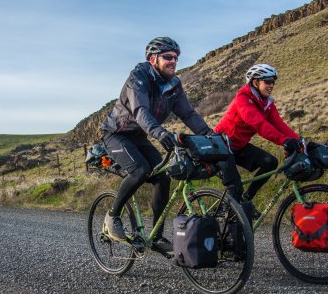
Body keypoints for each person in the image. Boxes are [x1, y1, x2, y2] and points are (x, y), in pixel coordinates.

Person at [100, 37, 212, 251]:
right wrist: (160, 133)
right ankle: (112, 216)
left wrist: (209, 134)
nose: (173, 61)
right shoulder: (138, 78)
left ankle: (157, 237)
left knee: (162, 177)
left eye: (176, 58)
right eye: (168, 57)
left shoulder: (173, 85)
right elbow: (140, 111)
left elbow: (188, 114)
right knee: (141, 170)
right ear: (153, 59)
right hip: (116, 133)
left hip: (139, 136)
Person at [214, 63, 302, 218]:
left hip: (238, 146)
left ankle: (246, 199)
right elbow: (259, 124)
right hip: (220, 147)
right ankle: (224, 212)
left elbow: (279, 124)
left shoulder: (266, 103)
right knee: (235, 184)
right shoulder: (243, 98)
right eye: (268, 81)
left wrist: (298, 141)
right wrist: (283, 141)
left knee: (270, 162)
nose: (271, 85)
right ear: (255, 82)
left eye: (273, 81)